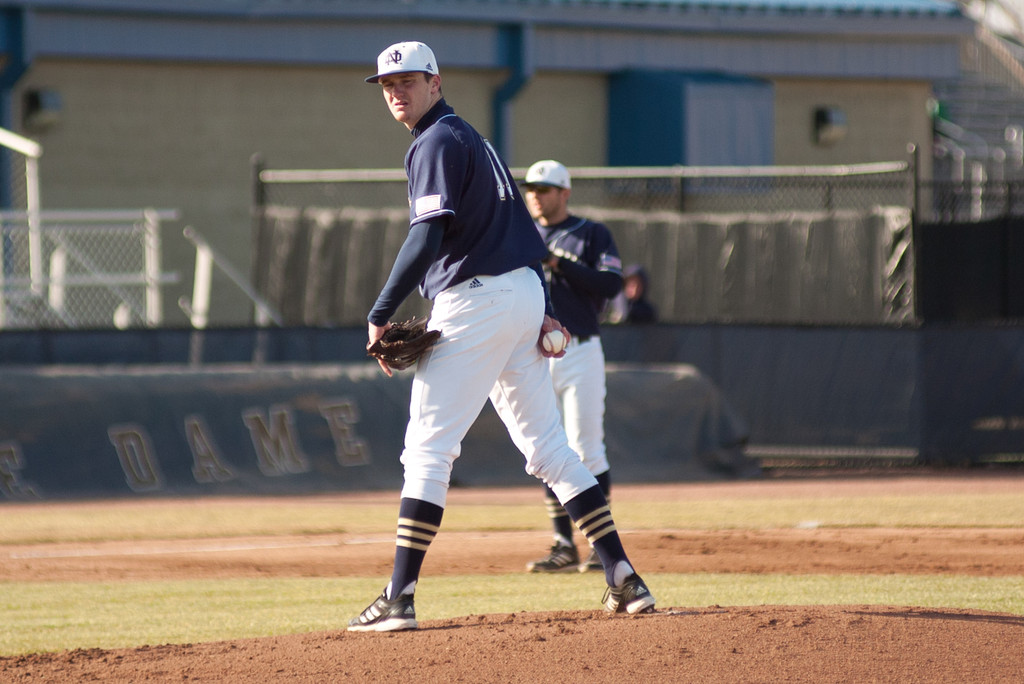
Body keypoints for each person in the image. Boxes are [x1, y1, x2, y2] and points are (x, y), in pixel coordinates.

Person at [348, 41, 655, 632]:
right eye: (387, 84)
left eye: (408, 81)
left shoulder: (435, 141)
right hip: (517, 292)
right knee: (548, 448)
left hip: (476, 298)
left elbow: (427, 234)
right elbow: (522, 235)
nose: (395, 92)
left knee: (428, 450)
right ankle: (621, 576)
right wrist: (531, 308)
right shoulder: (474, 141)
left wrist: (382, 309)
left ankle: (399, 597)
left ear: (435, 84)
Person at [521, 160, 624, 574]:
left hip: (580, 349)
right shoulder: (520, 234)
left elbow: (611, 285)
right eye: (531, 188)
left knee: (587, 446)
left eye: (544, 189)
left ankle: (600, 546)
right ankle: (563, 545)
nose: (535, 195)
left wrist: (559, 263)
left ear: (564, 193)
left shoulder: (591, 233)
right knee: (547, 449)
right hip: (533, 356)